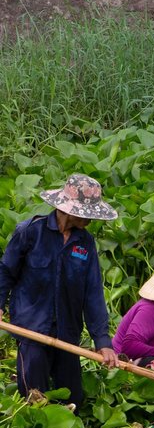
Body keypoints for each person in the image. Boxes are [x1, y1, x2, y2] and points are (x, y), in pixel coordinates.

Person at [0, 174, 118, 409]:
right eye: (87, 213)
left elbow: (93, 292)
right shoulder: (30, 232)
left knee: (73, 397)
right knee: (34, 395)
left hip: (67, 330)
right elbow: (5, 271)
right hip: (31, 326)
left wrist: (102, 341)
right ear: (69, 210)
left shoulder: (85, 243)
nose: (91, 219)